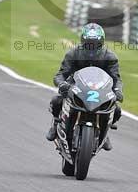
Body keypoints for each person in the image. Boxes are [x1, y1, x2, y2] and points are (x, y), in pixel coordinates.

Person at [46, 23, 123, 151]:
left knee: (116, 110)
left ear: (102, 43)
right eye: (88, 44)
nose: (91, 47)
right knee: (56, 101)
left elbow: (116, 79)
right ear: (83, 42)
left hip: (100, 90)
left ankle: (104, 134)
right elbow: (60, 75)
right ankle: (55, 125)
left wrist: (118, 90)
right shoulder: (73, 54)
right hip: (75, 87)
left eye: (95, 44)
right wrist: (62, 84)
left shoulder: (110, 57)